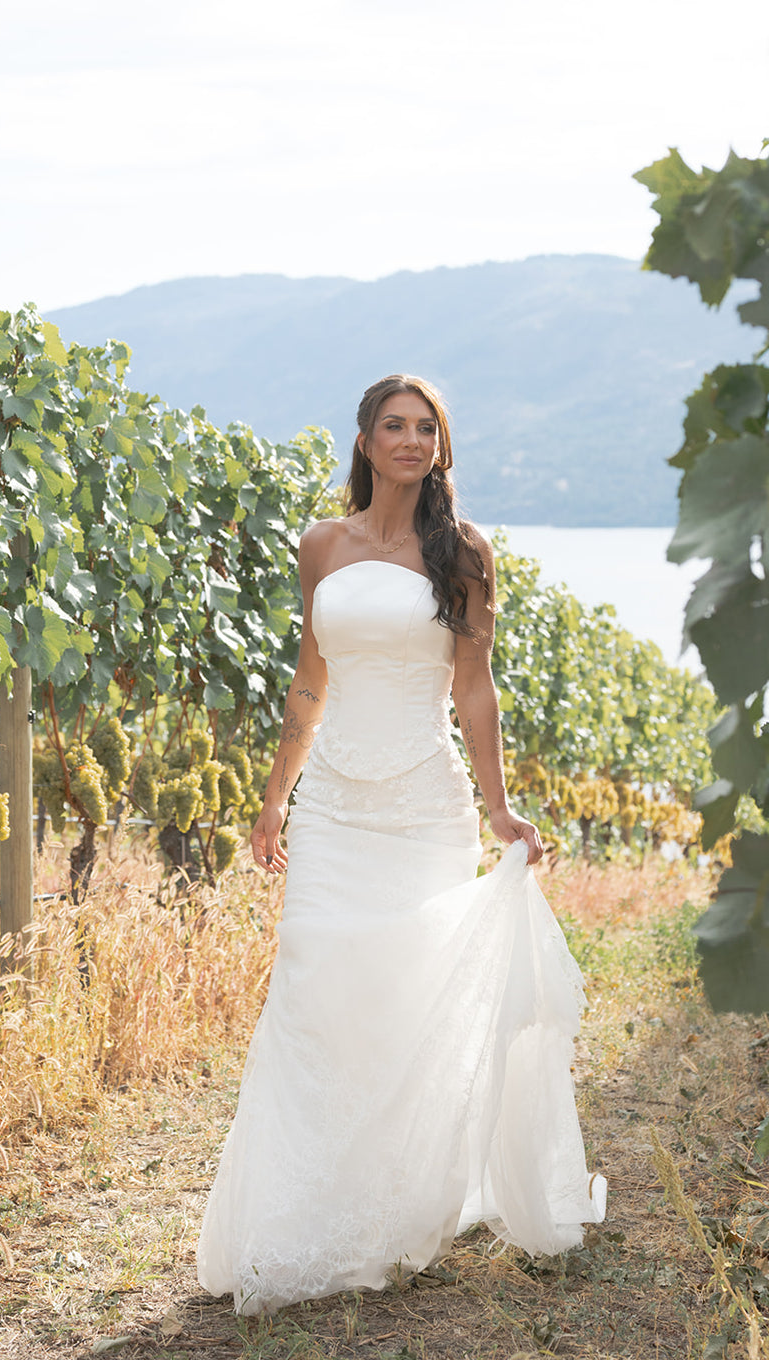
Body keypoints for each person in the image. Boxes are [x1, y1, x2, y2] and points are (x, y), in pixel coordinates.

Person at [196, 374, 606, 1315]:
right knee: (313, 988)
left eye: (428, 429)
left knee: (404, 995)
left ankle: (396, 1200)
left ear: (440, 447)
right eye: (396, 425)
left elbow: (474, 688)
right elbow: (311, 682)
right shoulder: (321, 545)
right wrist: (275, 799)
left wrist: (499, 808)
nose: (413, 440)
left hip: (426, 805)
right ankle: (300, 1213)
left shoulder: (464, 551)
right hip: (333, 808)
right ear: (366, 440)